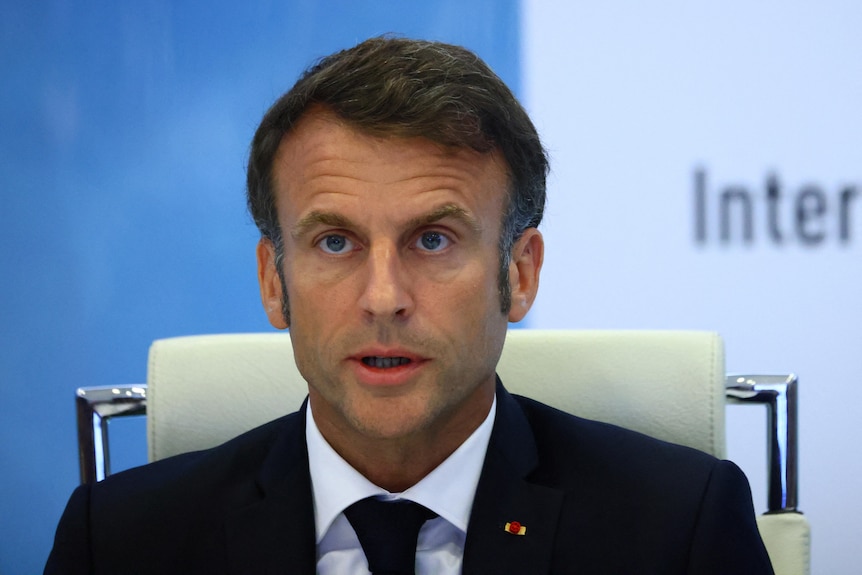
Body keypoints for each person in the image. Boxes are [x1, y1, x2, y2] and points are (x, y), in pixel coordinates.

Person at [45, 36, 774, 574]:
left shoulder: (677, 528)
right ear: (274, 281)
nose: (384, 298)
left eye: (432, 238)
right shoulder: (119, 543)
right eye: (335, 242)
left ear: (518, 273)